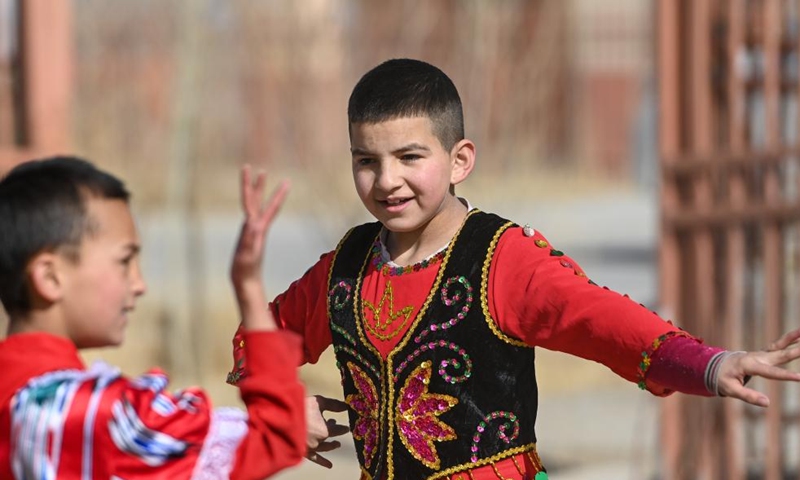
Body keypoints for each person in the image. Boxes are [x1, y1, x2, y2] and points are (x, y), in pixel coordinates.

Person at [227, 58, 800, 480]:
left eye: (409, 157)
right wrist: (276, 405)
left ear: (460, 160)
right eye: (366, 161)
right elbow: (258, 341)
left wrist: (710, 363)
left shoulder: (500, 259)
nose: (387, 180)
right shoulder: (344, 269)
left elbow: (605, 322)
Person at [0, 156, 307, 479]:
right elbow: (276, 437)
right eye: (124, 261)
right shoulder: (99, 417)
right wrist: (249, 287)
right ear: (50, 277)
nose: (139, 284)